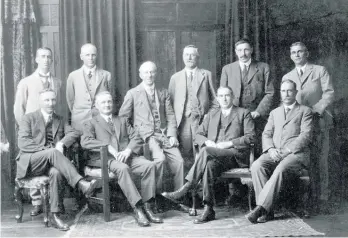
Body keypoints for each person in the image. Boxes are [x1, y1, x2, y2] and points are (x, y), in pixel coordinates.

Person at [162, 86, 255, 224]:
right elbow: (198, 135)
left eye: (227, 95)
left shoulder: (243, 113)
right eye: (221, 96)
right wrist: (207, 141)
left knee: (205, 151)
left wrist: (229, 143)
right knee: (209, 166)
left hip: (235, 157)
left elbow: (251, 137)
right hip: (215, 156)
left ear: (233, 96)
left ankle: (186, 188)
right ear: (217, 98)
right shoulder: (212, 115)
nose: (224, 99)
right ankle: (208, 209)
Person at [16, 89, 98, 231]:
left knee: (56, 172)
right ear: (40, 102)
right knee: (53, 152)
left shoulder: (60, 119)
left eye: (53, 100)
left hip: (50, 163)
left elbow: (74, 132)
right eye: (47, 100)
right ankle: (81, 183)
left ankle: (55, 215)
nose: (50, 103)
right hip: (31, 162)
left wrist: (61, 143)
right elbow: (23, 143)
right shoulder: (28, 118)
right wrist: (48, 151)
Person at [81, 91, 163, 227]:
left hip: (127, 157)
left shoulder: (122, 120)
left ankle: (148, 207)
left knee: (150, 165)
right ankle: (137, 208)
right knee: (123, 169)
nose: (107, 105)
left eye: (109, 102)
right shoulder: (90, 123)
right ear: (96, 105)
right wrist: (106, 146)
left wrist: (128, 150)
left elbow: (136, 137)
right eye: (103, 102)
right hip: (108, 160)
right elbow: (85, 142)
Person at [246, 80, 313, 224]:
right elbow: (266, 134)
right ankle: (268, 211)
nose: (286, 94)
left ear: (295, 92)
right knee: (257, 166)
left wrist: (287, 150)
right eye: (283, 91)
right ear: (280, 93)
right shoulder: (274, 112)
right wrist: (270, 149)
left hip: (296, 154)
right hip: (275, 152)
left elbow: (305, 136)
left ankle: (260, 209)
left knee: (281, 168)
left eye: (289, 91)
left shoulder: (305, 111)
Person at [282, 42, 334, 210]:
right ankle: (304, 199)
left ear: (307, 53)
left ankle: (323, 198)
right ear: (291, 56)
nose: (297, 55)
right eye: (294, 53)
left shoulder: (319, 70)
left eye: (300, 52)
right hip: (299, 126)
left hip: (319, 122)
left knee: (321, 161)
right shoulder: (287, 76)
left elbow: (329, 93)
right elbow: (287, 102)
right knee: (303, 160)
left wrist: (316, 109)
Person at [119, 61, 184, 194]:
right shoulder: (132, 93)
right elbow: (123, 118)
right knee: (160, 159)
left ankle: (178, 195)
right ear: (140, 75)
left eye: (152, 72)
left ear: (156, 73)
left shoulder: (163, 92)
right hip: (146, 136)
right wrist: (135, 134)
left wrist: (172, 135)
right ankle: (156, 196)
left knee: (180, 161)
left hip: (163, 134)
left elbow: (171, 115)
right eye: (146, 72)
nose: (149, 75)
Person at [13, 47, 62, 217]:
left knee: (54, 163)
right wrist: (26, 129)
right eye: (42, 56)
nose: (46, 60)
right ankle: (37, 202)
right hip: (32, 132)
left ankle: (56, 203)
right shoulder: (26, 82)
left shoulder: (57, 82)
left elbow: (61, 105)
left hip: (51, 130)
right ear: (36, 59)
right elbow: (19, 109)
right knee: (38, 161)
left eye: (49, 56)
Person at [220, 38, 274, 157]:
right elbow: (222, 93)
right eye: (239, 50)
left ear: (252, 50)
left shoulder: (263, 67)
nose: (243, 54)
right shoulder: (227, 69)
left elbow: (270, 92)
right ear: (235, 51)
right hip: (234, 115)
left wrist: (259, 112)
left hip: (256, 115)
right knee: (235, 147)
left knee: (257, 148)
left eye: (246, 50)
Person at [168, 45, 218, 170]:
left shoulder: (206, 75)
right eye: (186, 55)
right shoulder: (175, 78)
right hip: (183, 122)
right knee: (186, 155)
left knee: (202, 154)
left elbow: (216, 101)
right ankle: (188, 187)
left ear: (198, 57)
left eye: (192, 55)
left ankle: (202, 186)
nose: (189, 57)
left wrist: (208, 116)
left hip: (202, 122)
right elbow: (169, 105)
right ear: (183, 57)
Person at [66, 43, 112, 132]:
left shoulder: (106, 75)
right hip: (79, 121)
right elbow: (70, 99)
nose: (90, 58)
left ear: (96, 56)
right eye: (87, 55)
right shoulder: (73, 76)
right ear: (81, 56)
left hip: (100, 119)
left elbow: (110, 96)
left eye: (93, 55)